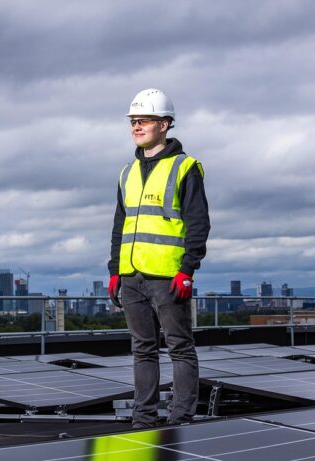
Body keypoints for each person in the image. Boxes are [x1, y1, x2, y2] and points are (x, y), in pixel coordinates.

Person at [107, 88, 210, 428]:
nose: (136, 127)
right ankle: (143, 419)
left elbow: (198, 222)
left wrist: (187, 269)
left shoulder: (185, 168)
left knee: (179, 347)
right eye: (133, 121)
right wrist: (114, 270)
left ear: (164, 124)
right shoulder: (127, 172)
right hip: (131, 276)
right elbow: (120, 224)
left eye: (144, 121)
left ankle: (181, 420)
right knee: (142, 350)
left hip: (168, 277)